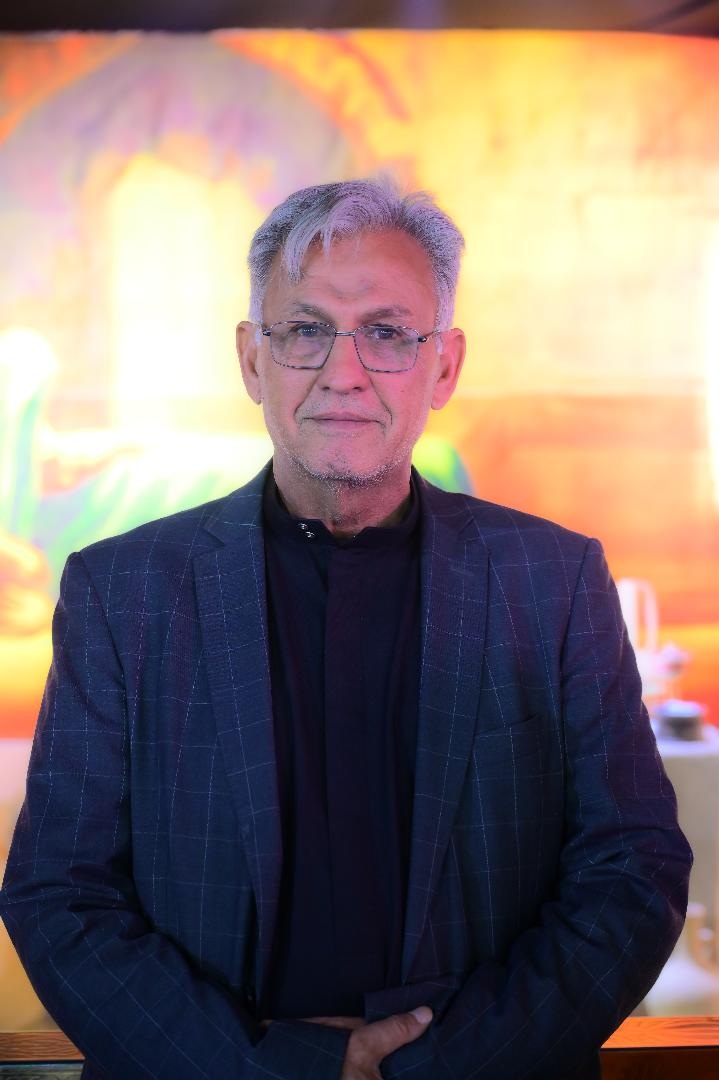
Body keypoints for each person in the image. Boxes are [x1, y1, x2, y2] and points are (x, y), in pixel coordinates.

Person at [1, 178, 691, 1079]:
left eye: (388, 332)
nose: (343, 371)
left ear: (443, 367)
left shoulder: (552, 581)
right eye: (304, 329)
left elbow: (632, 869)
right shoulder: (122, 590)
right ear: (252, 359)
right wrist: (279, 1068)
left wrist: (439, 1065)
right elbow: (59, 894)